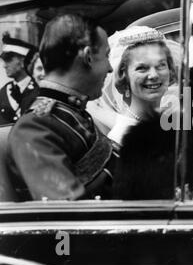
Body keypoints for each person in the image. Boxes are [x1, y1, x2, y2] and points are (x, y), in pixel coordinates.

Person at [6, 14, 115, 201]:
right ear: (88, 57)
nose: (111, 68)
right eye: (106, 56)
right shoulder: (34, 127)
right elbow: (68, 215)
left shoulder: (69, 113)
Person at [105, 26, 176, 145]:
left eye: (161, 65)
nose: (153, 75)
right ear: (124, 75)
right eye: (142, 68)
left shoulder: (173, 124)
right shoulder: (120, 138)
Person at [0, 34, 39, 125]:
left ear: (23, 62)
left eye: (9, 60)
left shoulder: (39, 90)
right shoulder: (3, 92)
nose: (4, 65)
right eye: (4, 61)